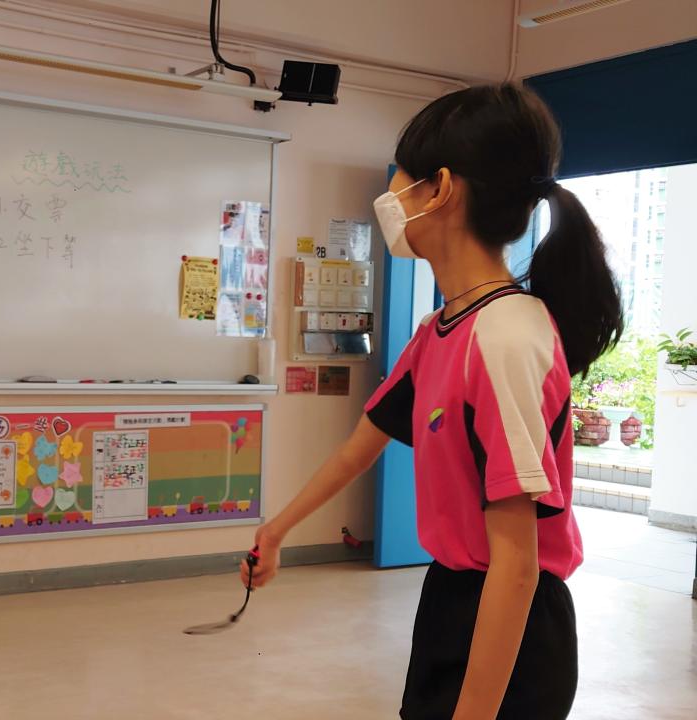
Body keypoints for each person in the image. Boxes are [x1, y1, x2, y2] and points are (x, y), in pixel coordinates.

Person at [242, 84, 622, 720]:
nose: (390, 192)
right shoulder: (442, 329)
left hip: (513, 622)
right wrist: (276, 531)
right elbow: (359, 448)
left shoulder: (504, 336)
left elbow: (517, 563)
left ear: (440, 189)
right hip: (451, 599)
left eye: (403, 175)